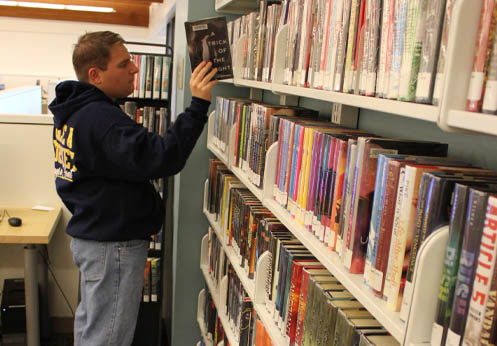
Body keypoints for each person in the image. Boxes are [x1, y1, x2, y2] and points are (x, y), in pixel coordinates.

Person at [49, 31, 217, 346]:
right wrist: (197, 105)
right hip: (113, 245)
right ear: (95, 75)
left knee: (92, 330)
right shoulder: (101, 119)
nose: (135, 69)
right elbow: (162, 157)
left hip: (94, 239)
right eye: (124, 64)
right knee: (108, 337)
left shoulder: (72, 113)